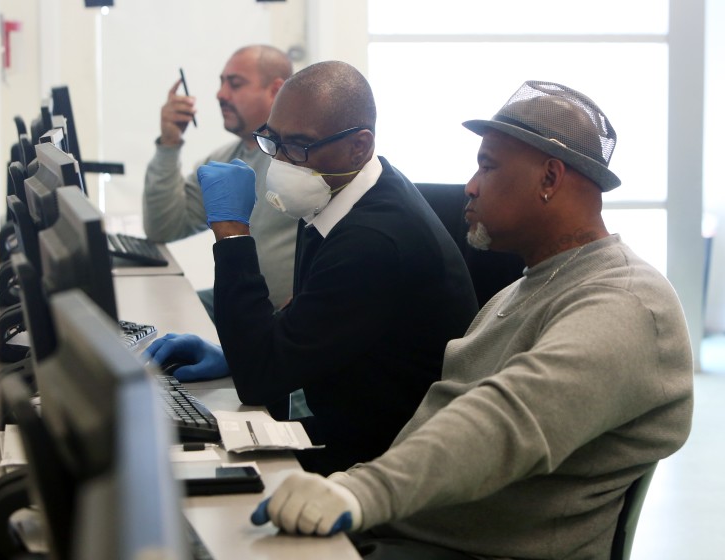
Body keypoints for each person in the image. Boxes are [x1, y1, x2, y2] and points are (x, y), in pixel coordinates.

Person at [249, 81, 695, 560]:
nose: (471, 185)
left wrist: (361, 493)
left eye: (488, 166)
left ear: (549, 178)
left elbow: (509, 419)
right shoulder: (526, 287)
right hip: (409, 531)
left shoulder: (626, 304)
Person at [145, 61, 479, 476]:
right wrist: (236, 354)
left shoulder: (372, 242)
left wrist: (232, 234)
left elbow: (260, 380)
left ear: (360, 146)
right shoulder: (337, 193)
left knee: (179, 471)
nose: (281, 161)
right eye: (273, 140)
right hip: (347, 419)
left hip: (382, 461)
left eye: (299, 145)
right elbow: (301, 331)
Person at [142, 45, 297, 316]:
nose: (220, 94)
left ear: (275, 90)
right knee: (157, 314)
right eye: (221, 83)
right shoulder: (223, 162)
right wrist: (169, 142)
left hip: (282, 316)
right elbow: (163, 227)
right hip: (241, 301)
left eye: (235, 84)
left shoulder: (301, 160)